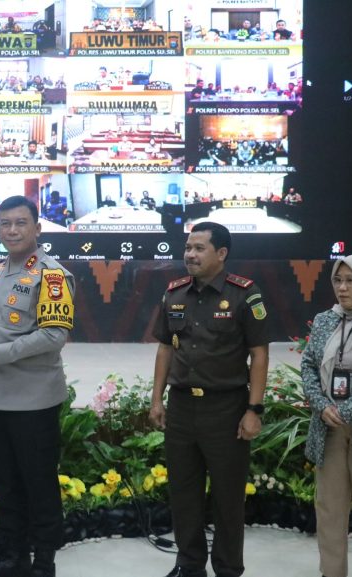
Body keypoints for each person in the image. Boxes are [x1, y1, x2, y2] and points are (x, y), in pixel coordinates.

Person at [0, 195, 75, 577]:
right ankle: (14, 558)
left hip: (34, 401)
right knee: (6, 484)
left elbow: (53, 336)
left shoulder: (52, 275)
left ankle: (44, 563)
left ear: (37, 228)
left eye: (20, 223)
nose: (12, 230)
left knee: (39, 484)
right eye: (5, 223)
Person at [150, 221, 269, 577]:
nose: (190, 254)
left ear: (222, 253)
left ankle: (228, 569)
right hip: (182, 406)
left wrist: (254, 409)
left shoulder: (244, 294)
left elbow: (259, 354)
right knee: (183, 492)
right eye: (188, 247)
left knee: (227, 497)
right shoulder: (174, 293)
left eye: (199, 248)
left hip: (226, 409)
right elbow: (164, 348)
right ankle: (189, 566)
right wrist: (156, 399)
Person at [302, 254, 352, 577]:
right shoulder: (325, 320)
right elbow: (308, 365)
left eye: (351, 281)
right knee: (329, 513)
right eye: (338, 280)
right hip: (329, 429)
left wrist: (347, 410)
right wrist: (321, 404)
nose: (342, 288)